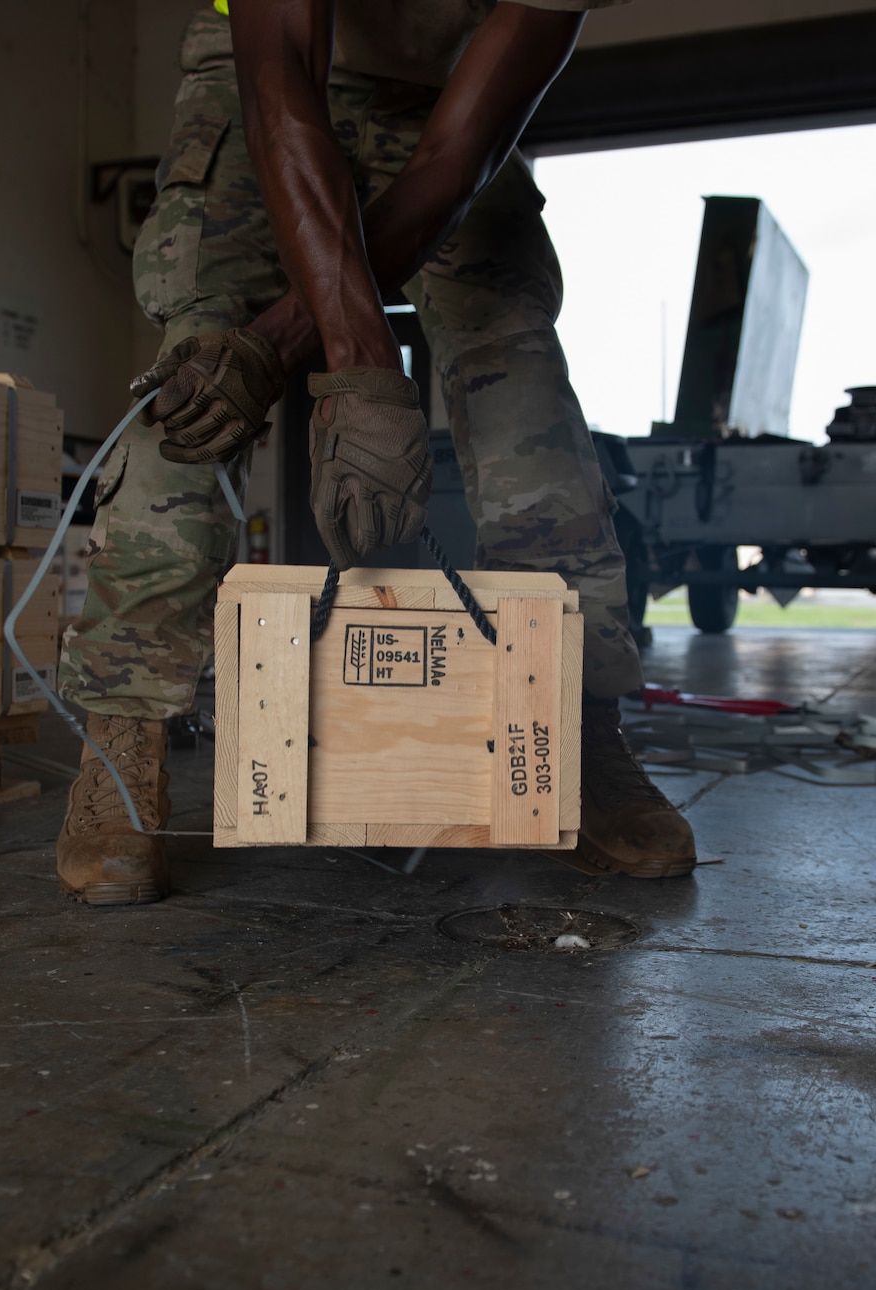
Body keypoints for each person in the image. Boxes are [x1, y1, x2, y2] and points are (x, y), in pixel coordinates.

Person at [55, 0, 695, 904]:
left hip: (444, 108)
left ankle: (577, 723)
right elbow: (281, 82)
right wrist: (344, 360)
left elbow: (450, 165)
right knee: (202, 373)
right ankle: (121, 738)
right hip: (253, 96)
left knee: (522, 381)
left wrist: (299, 354)